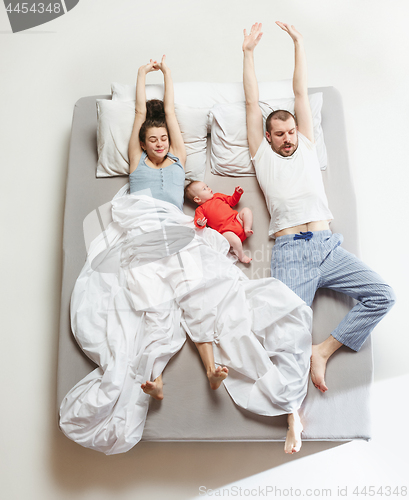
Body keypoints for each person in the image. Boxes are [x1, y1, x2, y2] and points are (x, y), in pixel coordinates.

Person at [242, 22, 395, 393]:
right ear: (268, 137)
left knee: (383, 295)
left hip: (328, 246)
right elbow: (251, 102)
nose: (288, 138)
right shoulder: (262, 155)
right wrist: (247, 53)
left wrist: (299, 43)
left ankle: (323, 351)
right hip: (291, 252)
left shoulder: (308, 144)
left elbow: (299, 92)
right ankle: (291, 405)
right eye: (280, 134)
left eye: (291, 131)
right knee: (282, 335)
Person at [128, 56, 229, 399]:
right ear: (143, 143)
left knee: (194, 294)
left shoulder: (178, 159)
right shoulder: (136, 161)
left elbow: (169, 113)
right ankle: (154, 377)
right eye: (152, 139)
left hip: (175, 231)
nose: (159, 143)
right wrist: (141, 74)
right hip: (144, 232)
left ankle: (212, 370)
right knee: (155, 305)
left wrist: (169, 73)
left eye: (163, 139)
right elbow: (141, 114)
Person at [185, 181, 253, 263]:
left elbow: (231, 201)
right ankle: (241, 256)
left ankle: (246, 229)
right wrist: (200, 223)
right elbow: (198, 223)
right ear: (197, 199)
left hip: (236, 220)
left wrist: (237, 194)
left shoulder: (217, 196)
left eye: (207, 186)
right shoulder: (200, 210)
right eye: (204, 189)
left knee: (246, 211)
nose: (209, 188)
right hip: (226, 231)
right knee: (235, 241)